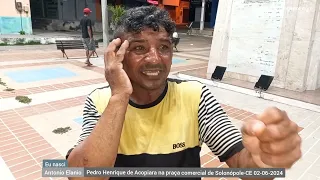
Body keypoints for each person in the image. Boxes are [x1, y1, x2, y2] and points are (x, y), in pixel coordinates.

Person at [66, 6, 302, 180]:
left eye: (164, 47)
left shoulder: (195, 96)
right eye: (139, 48)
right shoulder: (100, 101)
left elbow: (244, 162)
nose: (154, 59)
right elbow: (83, 175)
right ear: (117, 54)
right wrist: (119, 96)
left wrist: (267, 156)